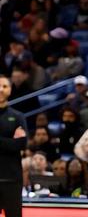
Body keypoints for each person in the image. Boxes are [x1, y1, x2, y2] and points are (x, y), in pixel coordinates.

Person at [0, 75, 27, 217]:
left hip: (12, 179)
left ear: (10, 90)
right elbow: (14, 144)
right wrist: (9, 141)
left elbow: (21, 144)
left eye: (4, 86)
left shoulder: (18, 116)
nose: (0, 89)